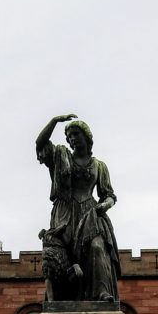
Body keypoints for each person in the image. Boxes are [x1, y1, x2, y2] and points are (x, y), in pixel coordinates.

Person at [35, 114, 121, 302]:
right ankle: (59, 300)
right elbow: (40, 143)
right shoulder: (61, 156)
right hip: (65, 214)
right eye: (69, 136)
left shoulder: (99, 166)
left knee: (97, 247)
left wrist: (104, 206)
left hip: (91, 213)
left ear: (86, 137)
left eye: (76, 134)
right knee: (61, 257)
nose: (72, 139)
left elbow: (109, 195)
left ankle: (101, 292)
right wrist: (54, 121)